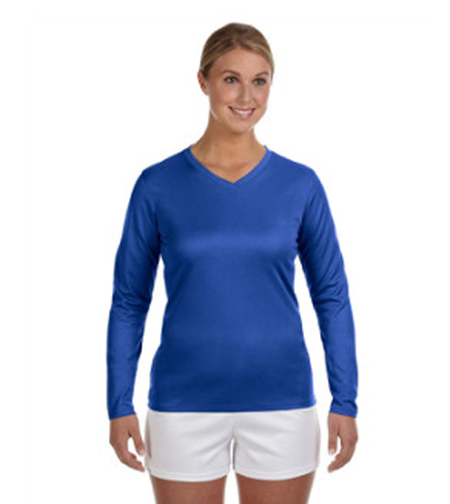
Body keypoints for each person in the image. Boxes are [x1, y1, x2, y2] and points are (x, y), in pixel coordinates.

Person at [107, 22, 358, 504]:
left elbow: (331, 296)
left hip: (282, 403)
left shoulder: (300, 185)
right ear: (203, 81)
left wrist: (345, 399)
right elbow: (129, 301)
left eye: (259, 81)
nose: (246, 96)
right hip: (182, 405)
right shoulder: (157, 185)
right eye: (231, 79)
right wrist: (119, 404)